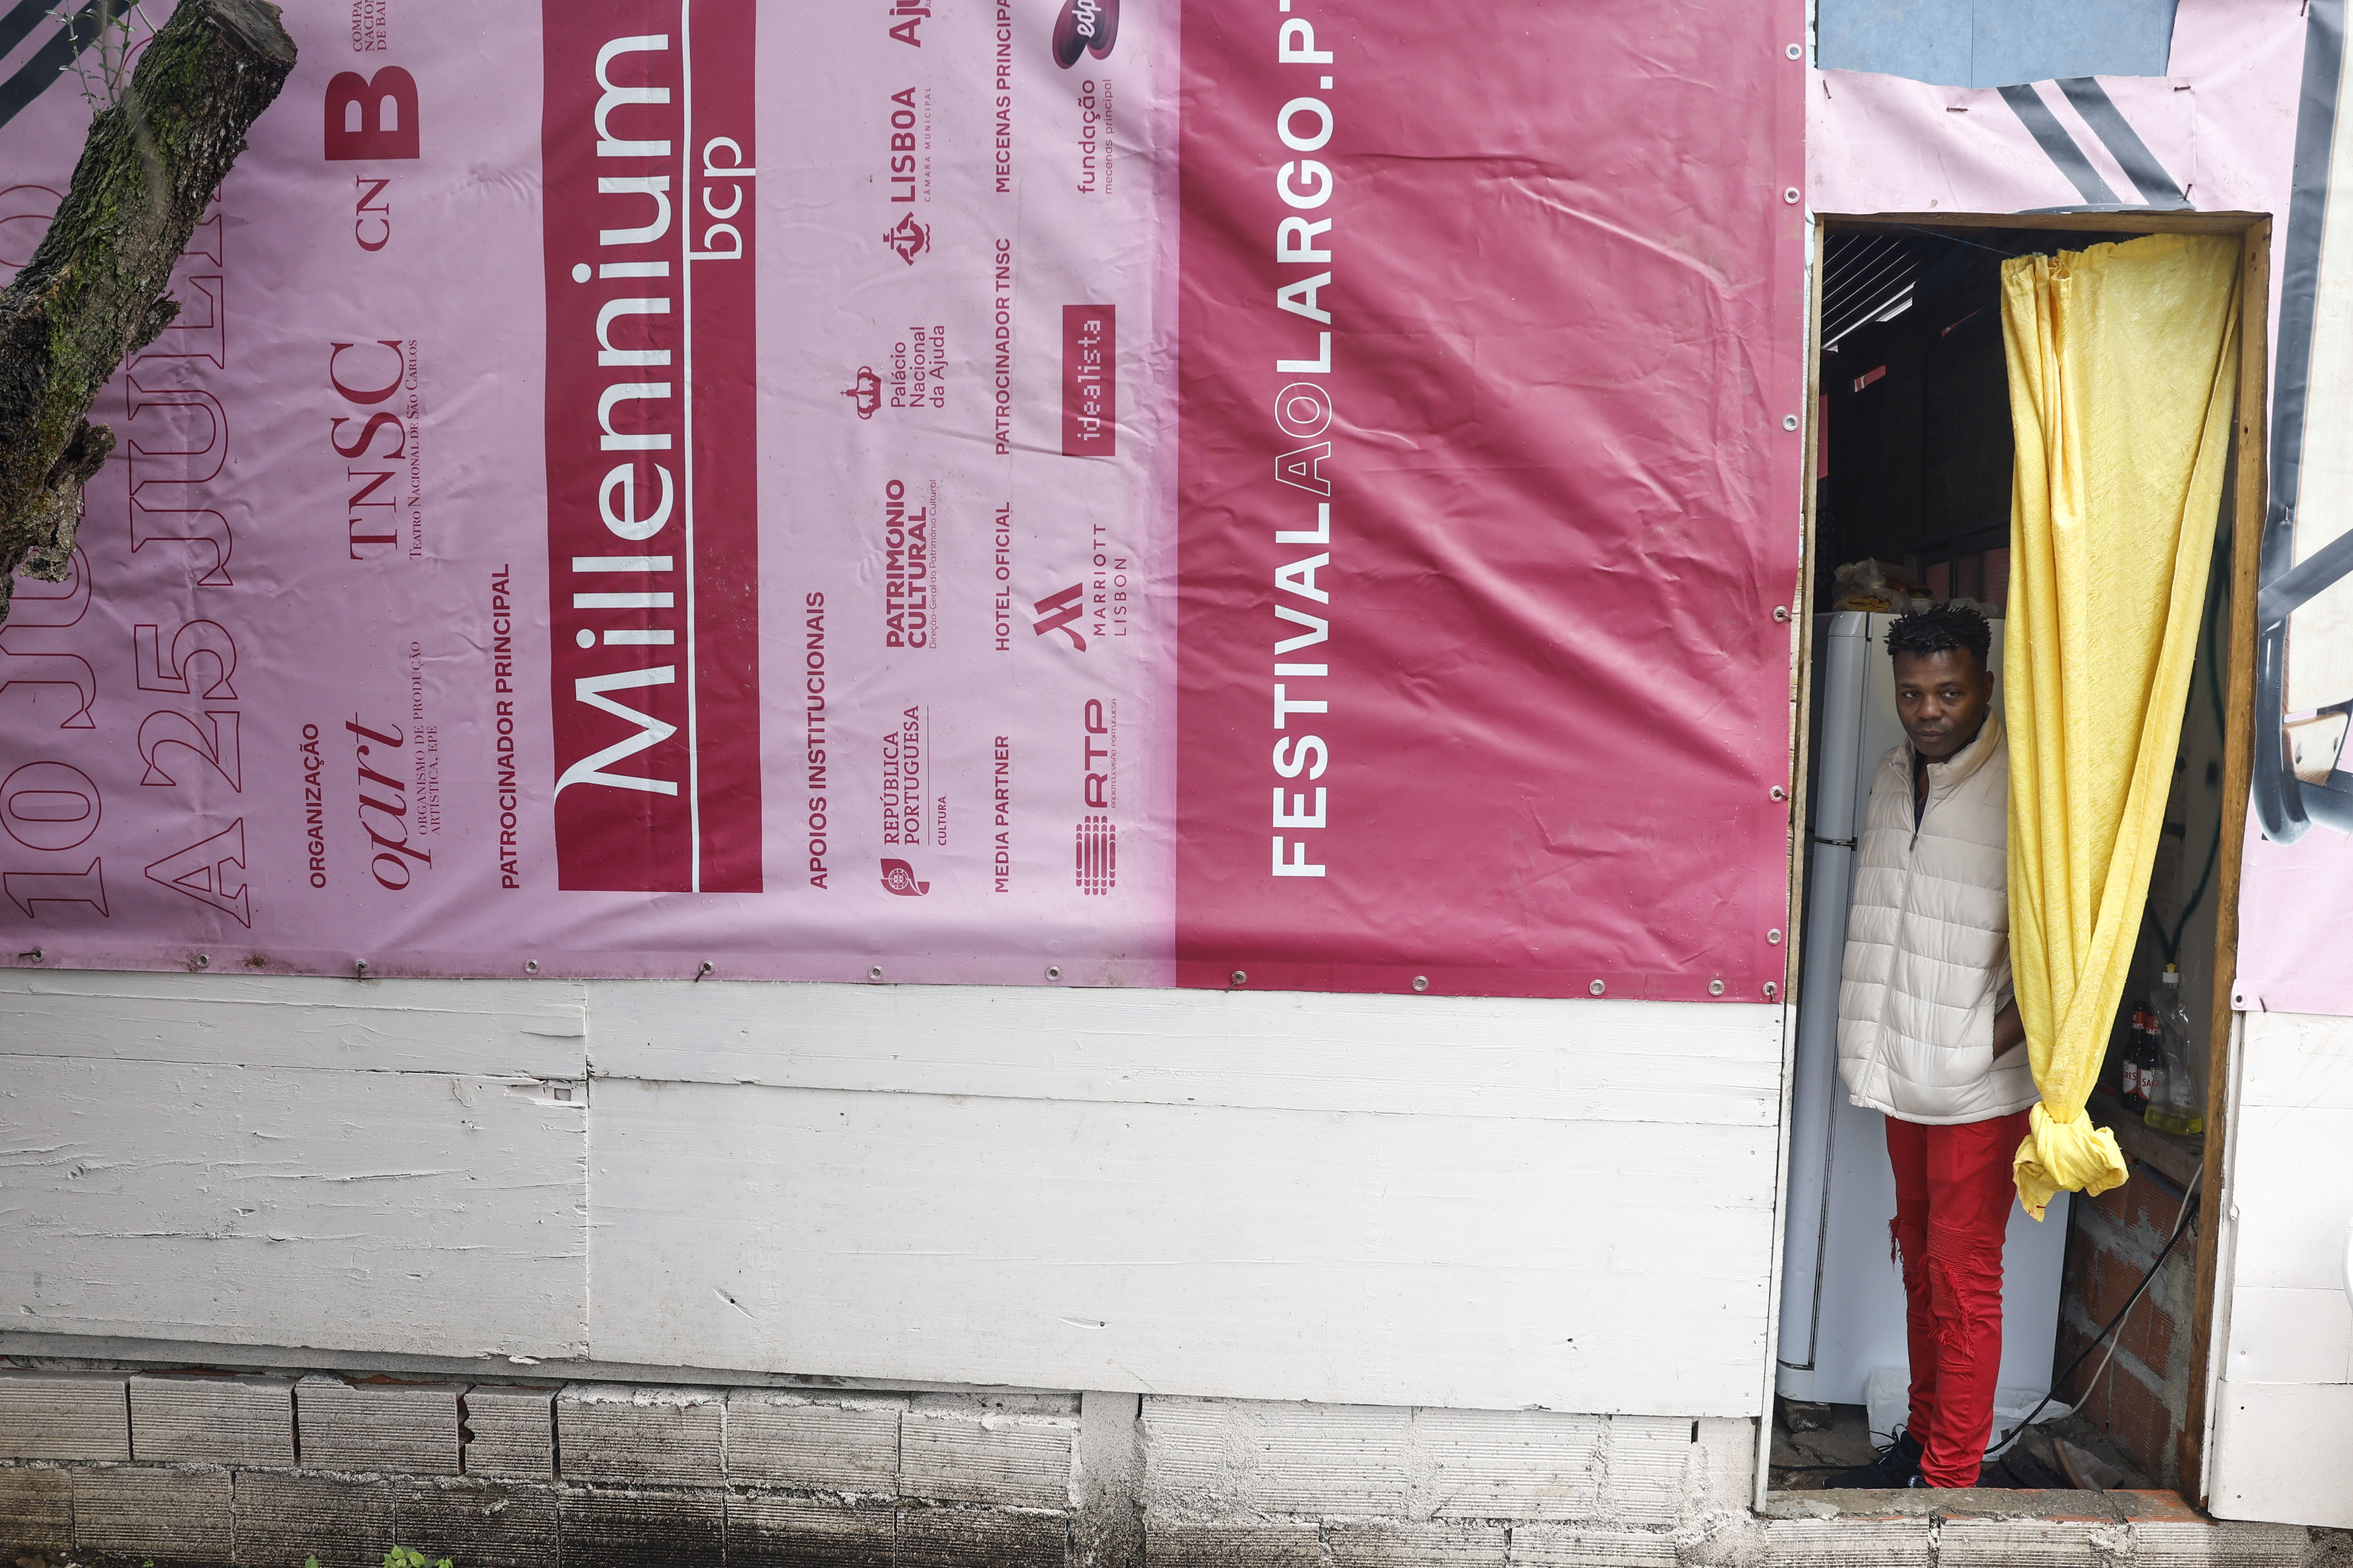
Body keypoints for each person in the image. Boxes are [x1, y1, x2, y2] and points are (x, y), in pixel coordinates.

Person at [1826, 603, 2034, 1490]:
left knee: (1962, 1279)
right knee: (1918, 1260)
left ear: (1985, 685)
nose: (1929, 709)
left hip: (1973, 1087)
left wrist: (1976, 1041)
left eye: (1949, 691)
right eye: (1912, 692)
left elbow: (2070, 949)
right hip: (1900, 1071)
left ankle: (1951, 1478)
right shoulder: (1887, 773)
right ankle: (1920, 1440)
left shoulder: (2025, 792)